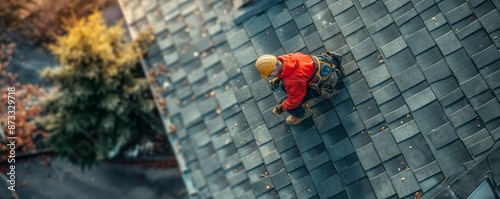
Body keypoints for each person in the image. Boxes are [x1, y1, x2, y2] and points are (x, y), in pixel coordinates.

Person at [254, 51, 343, 125]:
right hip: (314, 69)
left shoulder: (292, 81)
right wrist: (279, 78)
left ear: (274, 70)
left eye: (269, 74)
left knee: (285, 102)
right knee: (283, 84)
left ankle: (303, 114)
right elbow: (291, 71)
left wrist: (280, 108)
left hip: (318, 84)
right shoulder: (285, 59)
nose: (269, 77)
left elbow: (294, 101)